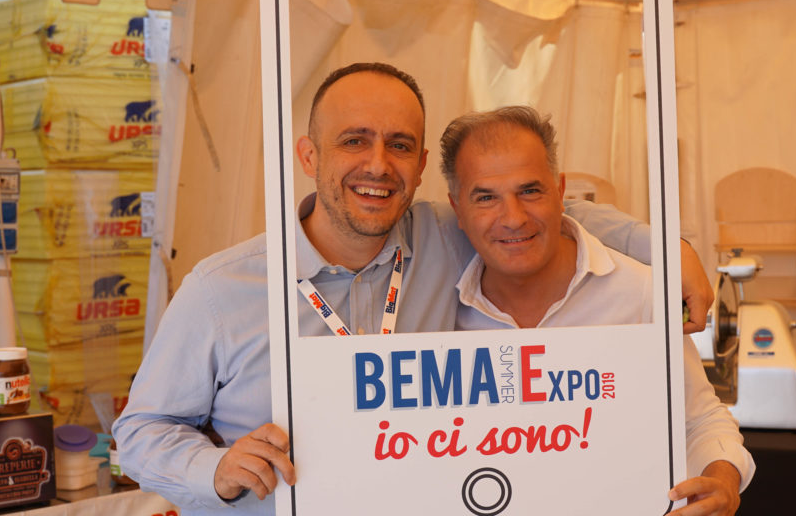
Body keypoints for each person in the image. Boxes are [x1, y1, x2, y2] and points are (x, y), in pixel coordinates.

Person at [113, 63, 716, 514]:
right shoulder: (222, 290)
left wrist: (667, 249)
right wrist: (216, 467)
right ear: (308, 155)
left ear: (422, 164)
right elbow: (140, 431)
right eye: (354, 140)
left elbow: (538, 207)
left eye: (398, 145)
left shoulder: (445, 237)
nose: (378, 164)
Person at [442, 106, 753, 516]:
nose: (513, 218)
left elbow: (698, 419)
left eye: (530, 191)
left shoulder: (641, 292)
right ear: (457, 209)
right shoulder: (440, 310)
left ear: (560, 192)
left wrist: (723, 480)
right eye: (486, 198)